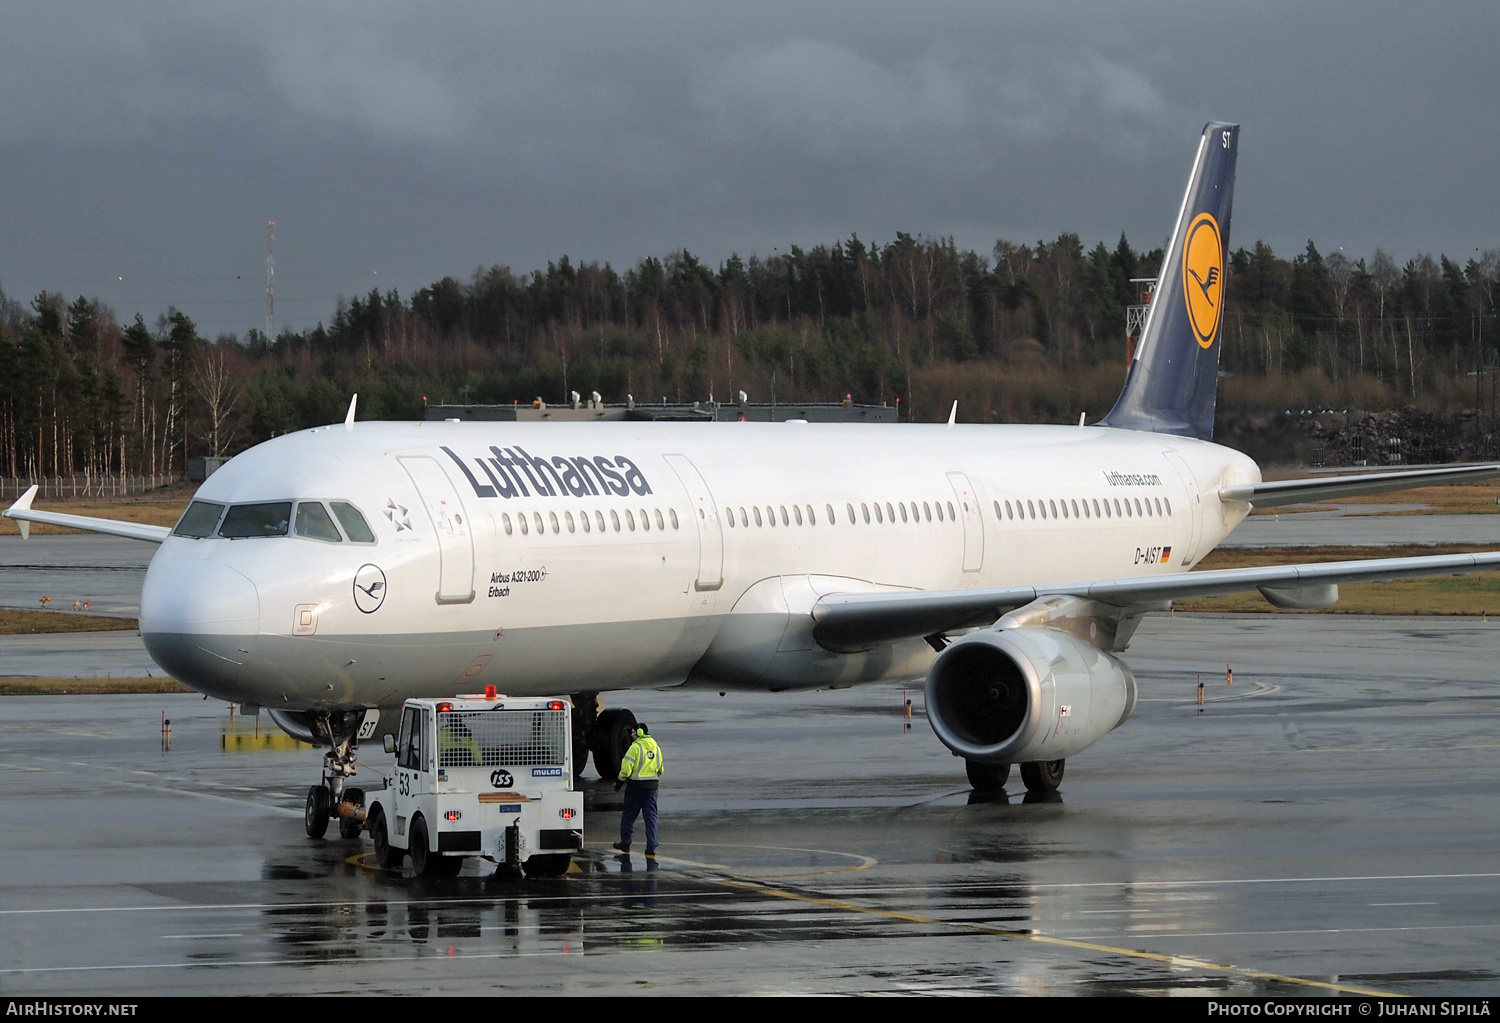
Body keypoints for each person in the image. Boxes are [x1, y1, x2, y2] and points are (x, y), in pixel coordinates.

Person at [613, 723, 663, 856]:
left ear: (640, 732)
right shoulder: (655, 746)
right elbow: (660, 769)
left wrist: (619, 783)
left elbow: (626, 769)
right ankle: (652, 845)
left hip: (636, 787)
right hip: (652, 787)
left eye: (633, 732)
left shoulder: (635, 747)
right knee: (651, 816)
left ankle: (625, 843)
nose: (631, 734)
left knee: (629, 816)